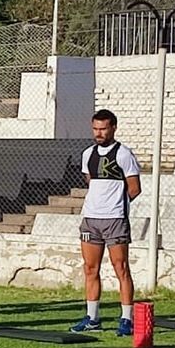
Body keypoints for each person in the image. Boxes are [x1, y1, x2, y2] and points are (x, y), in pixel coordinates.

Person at [71, 109, 142, 336]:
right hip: (91, 219)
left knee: (120, 268)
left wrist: (117, 205)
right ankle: (92, 318)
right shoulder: (87, 154)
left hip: (115, 220)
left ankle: (126, 319)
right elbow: (91, 182)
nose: (98, 133)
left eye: (103, 128)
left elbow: (135, 187)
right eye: (95, 129)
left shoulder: (123, 154)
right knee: (90, 268)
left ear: (113, 128)